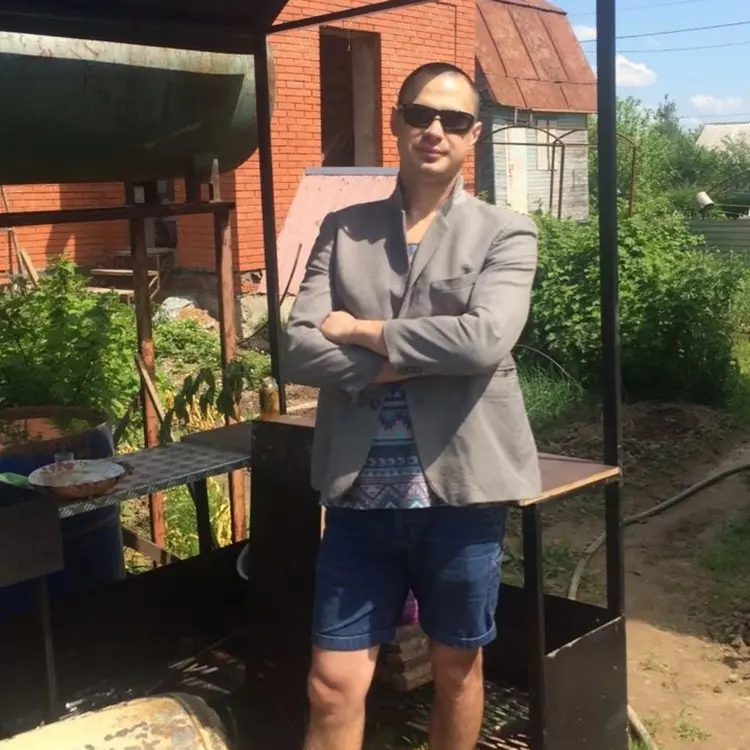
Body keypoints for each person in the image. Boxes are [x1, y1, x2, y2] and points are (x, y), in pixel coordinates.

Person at [283, 62, 541, 750]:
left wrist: (363, 331)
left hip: (461, 492)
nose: (435, 130)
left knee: (456, 669)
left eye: (454, 120)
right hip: (359, 493)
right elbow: (299, 348)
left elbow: (485, 339)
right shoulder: (345, 229)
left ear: (474, 135)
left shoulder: (505, 232)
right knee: (330, 683)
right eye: (421, 114)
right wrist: (418, 360)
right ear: (397, 121)